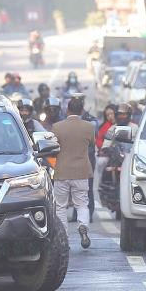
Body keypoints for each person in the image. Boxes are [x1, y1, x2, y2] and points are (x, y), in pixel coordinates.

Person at [51, 97, 95, 249]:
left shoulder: (57, 127)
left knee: (61, 206)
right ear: (82, 111)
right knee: (82, 203)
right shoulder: (89, 127)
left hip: (61, 172)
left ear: (67, 110)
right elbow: (92, 144)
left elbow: (53, 148)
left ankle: (64, 238)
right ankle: (83, 227)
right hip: (81, 171)